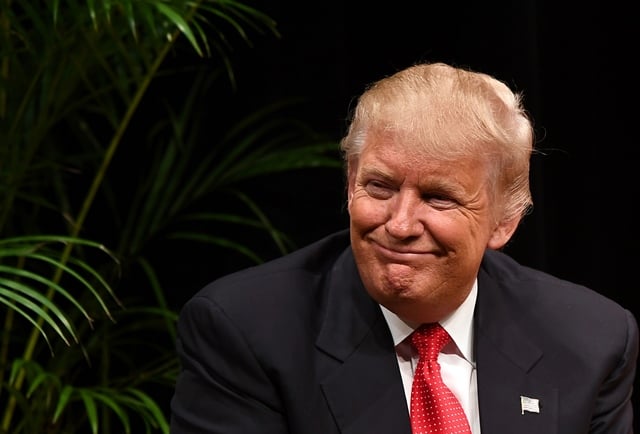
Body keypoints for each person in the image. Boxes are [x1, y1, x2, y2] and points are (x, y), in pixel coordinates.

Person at [169, 61, 639, 433]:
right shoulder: (245, 333)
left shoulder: (589, 339)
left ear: (505, 220)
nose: (399, 224)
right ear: (349, 183)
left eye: (438, 197)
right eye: (379, 187)